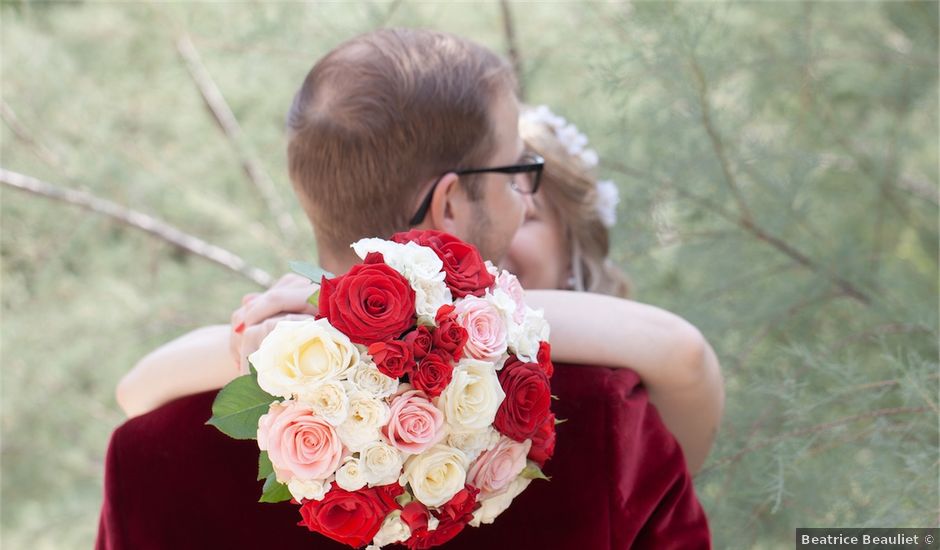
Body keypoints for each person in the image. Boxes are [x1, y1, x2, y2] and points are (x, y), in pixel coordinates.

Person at [97, 28, 712, 549]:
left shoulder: (146, 456)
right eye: (516, 173)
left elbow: (134, 390)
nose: (524, 203)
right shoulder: (608, 424)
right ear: (449, 201)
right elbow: (681, 353)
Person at [115, 105, 723, 474]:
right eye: (501, 204)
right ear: (449, 207)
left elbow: (682, 353)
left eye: (530, 216)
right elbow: (137, 388)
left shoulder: (627, 383)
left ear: (574, 241)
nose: (503, 235)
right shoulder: (370, 352)